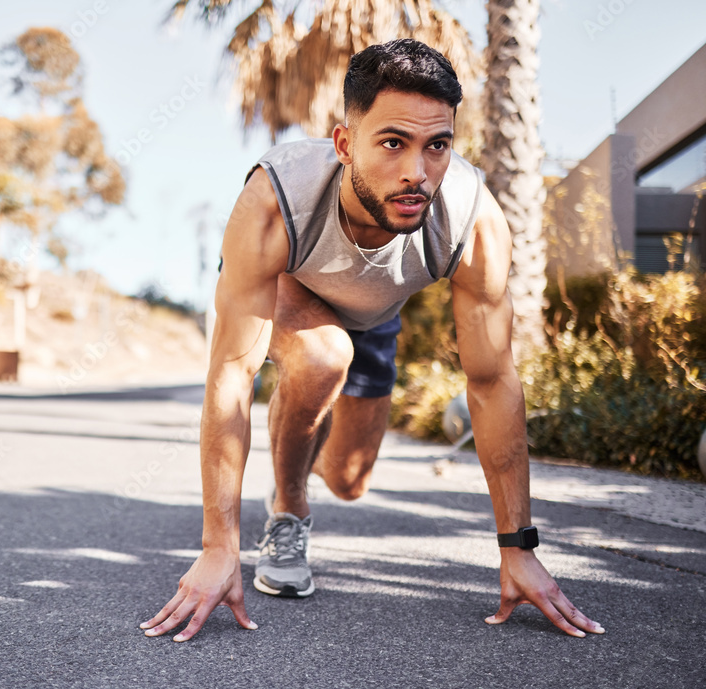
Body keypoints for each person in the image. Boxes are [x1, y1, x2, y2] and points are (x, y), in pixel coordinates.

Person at [141, 38, 605, 642]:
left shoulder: (471, 218)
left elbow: (491, 380)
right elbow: (232, 372)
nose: (417, 170)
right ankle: (288, 510)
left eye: (436, 145)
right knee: (321, 358)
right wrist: (217, 545)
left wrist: (518, 547)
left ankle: (310, 434)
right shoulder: (277, 200)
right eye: (392, 143)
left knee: (350, 480)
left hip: (377, 315)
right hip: (292, 288)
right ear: (344, 144)